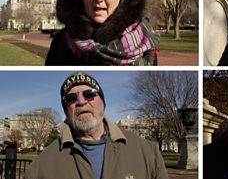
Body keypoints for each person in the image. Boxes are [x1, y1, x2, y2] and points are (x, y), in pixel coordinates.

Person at [24, 72, 168, 179]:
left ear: (103, 102)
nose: (81, 101)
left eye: (89, 93)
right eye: (71, 97)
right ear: (66, 110)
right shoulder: (41, 166)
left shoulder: (148, 153)